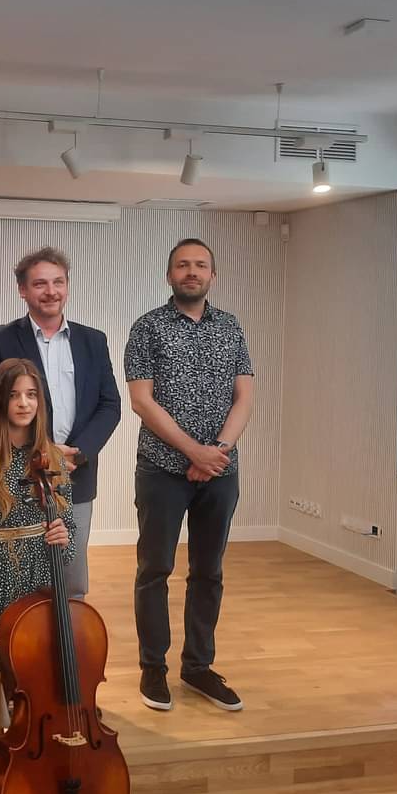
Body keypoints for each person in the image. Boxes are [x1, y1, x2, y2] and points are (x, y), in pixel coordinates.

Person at [125, 238, 255, 714]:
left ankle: (198, 666)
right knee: (154, 570)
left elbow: (245, 396)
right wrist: (193, 451)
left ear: (213, 276)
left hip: (220, 472)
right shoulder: (147, 328)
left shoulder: (231, 327)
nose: (192, 272)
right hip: (162, 469)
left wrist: (217, 451)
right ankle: (153, 668)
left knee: (208, 571)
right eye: (183, 265)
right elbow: (142, 401)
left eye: (200, 265)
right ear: (169, 275)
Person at [0, 246, 120, 599]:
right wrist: (39, 450)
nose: (51, 291)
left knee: (71, 577)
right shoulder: (1, 339)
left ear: (67, 286)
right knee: (21, 574)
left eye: (58, 282)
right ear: (22, 290)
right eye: (40, 284)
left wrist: (78, 453)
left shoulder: (93, 340)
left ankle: (69, 636)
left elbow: (110, 405)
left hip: (77, 472)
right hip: (20, 473)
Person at [0, 358, 74, 681]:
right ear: (0, 400)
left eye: (31, 395)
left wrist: (64, 537)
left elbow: (70, 532)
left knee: (39, 674)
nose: (24, 403)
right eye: (14, 395)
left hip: (41, 576)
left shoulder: (53, 458)